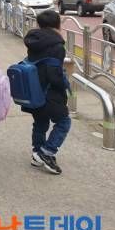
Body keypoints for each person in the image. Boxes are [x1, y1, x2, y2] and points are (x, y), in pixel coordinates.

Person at [23, 10, 71, 175]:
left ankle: (37, 153)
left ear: (39, 24)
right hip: (50, 92)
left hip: (34, 89)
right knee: (64, 122)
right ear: (58, 24)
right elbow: (53, 73)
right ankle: (47, 152)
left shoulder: (34, 40)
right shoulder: (57, 45)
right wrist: (63, 85)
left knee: (40, 122)